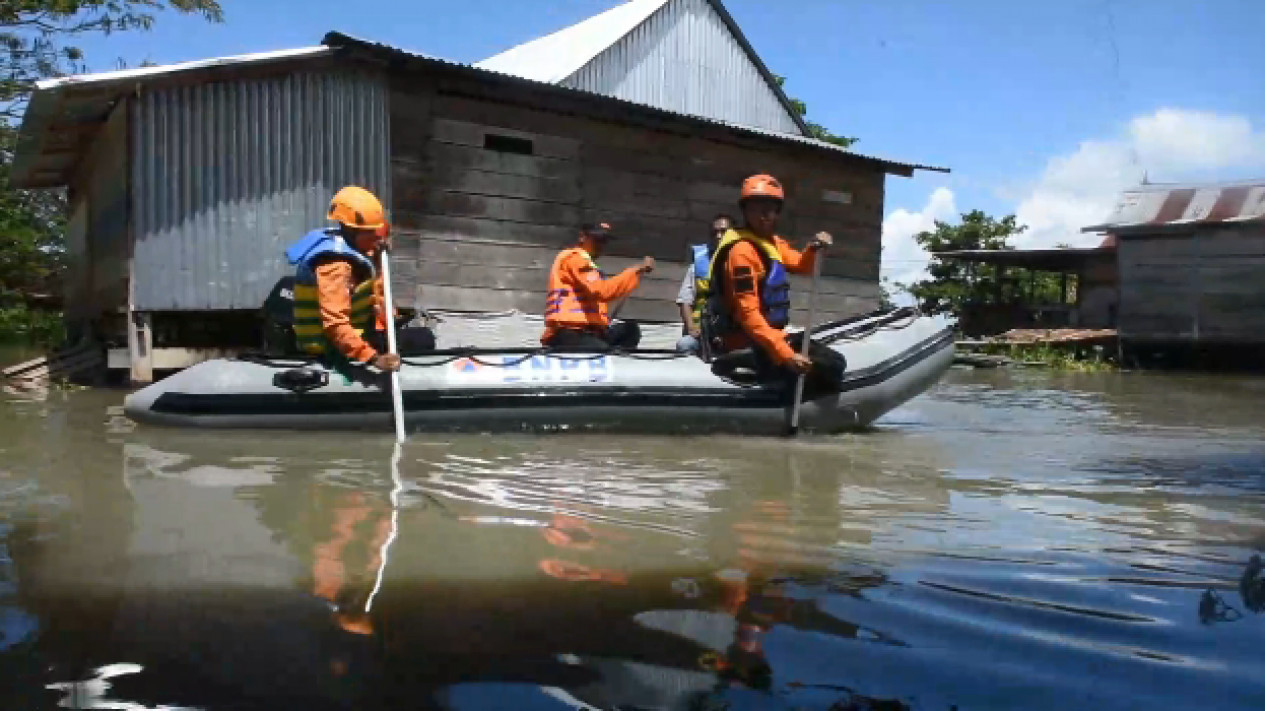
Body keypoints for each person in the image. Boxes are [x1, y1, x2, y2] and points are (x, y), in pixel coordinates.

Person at [702, 174, 846, 394]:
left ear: (777, 213)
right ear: (745, 212)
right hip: (747, 341)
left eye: (770, 209)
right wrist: (786, 355)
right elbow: (748, 316)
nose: (764, 216)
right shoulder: (741, 252)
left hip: (768, 337)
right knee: (829, 366)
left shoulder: (772, 244)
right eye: (756, 209)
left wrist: (814, 247)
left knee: (834, 362)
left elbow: (801, 264)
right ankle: (746, 367)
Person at [284, 186, 435, 371]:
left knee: (422, 336)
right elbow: (335, 326)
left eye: (379, 231)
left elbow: (375, 293)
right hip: (330, 346)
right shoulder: (335, 267)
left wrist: (378, 260)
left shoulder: (355, 250)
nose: (378, 237)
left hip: (358, 333)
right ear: (351, 230)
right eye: (371, 232)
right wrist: (373, 358)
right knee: (422, 340)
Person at [542, 222, 655, 350]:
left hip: (592, 332)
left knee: (630, 330)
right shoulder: (574, 259)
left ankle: (618, 360)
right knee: (601, 349)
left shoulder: (590, 266)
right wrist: (635, 271)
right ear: (582, 237)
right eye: (597, 240)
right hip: (569, 333)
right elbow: (602, 291)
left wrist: (637, 273)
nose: (600, 245)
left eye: (603, 241)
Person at [675, 214, 734, 354]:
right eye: (715, 232)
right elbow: (685, 301)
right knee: (684, 345)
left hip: (731, 334)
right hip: (702, 331)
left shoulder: (743, 263)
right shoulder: (698, 265)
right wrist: (691, 328)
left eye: (723, 232)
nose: (718, 236)